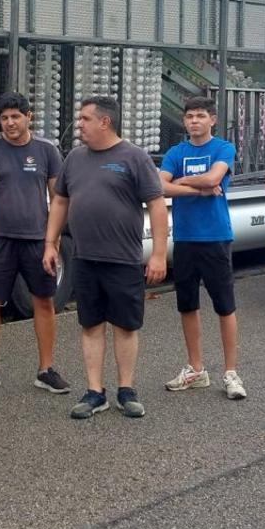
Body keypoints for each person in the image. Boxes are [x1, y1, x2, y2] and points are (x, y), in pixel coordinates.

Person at [43, 96, 167, 420]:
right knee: (91, 324)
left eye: (84, 119)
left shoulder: (134, 157)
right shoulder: (74, 159)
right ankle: (95, 392)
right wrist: (50, 243)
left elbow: (156, 204)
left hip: (123, 259)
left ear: (104, 122)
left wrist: (158, 254)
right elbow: (59, 202)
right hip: (85, 258)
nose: (79, 124)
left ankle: (126, 390)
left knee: (125, 325)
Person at [0, 92, 70, 398]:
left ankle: (46, 370)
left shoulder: (47, 150)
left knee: (43, 301)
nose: (10, 123)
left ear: (29, 117)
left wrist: (53, 240)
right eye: (4, 118)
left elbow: (59, 199)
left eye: (15, 116)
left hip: (37, 241)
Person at [158, 96, 247, 400]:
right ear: (184, 121)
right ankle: (196, 369)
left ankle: (231, 373)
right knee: (188, 305)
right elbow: (159, 186)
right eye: (190, 116)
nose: (194, 121)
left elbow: (214, 177)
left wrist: (186, 182)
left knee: (225, 306)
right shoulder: (176, 152)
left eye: (200, 116)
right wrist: (201, 188)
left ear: (212, 120)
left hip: (216, 237)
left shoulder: (223, 148)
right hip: (184, 239)